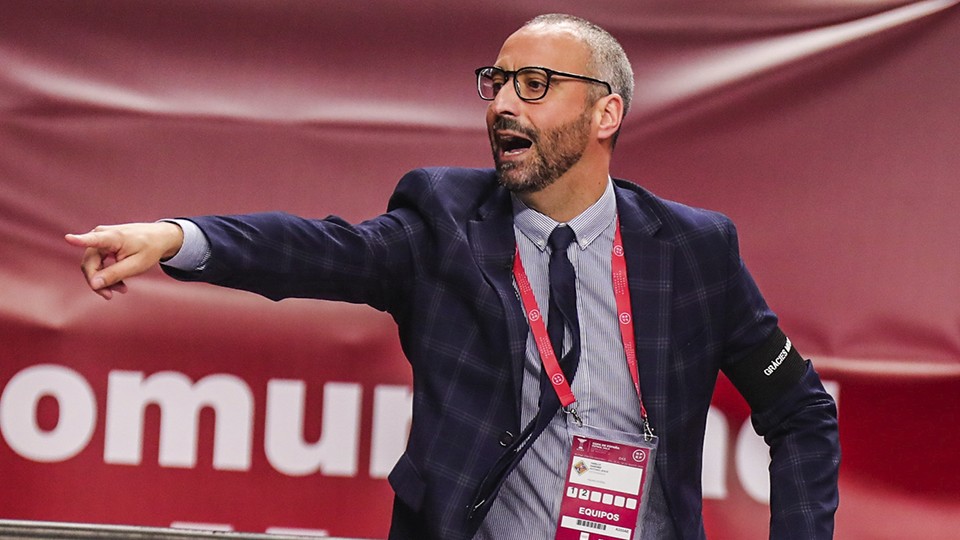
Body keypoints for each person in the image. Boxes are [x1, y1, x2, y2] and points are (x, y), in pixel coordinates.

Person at [65, 13, 840, 540]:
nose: (504, 104)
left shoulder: (691, 248)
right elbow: (322, 251)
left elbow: (801, 409)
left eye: (533, 85)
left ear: (606, 115)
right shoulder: (443, 221)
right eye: (495, 83)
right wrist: (178, 238)